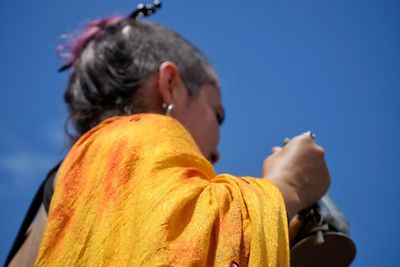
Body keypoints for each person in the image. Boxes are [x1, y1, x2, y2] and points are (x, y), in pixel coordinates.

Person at [6, 2, 330, 266]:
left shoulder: (71, 194)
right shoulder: (132, 137)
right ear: (170, 85)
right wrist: (286, 187)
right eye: (217, 114)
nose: (217, 153)